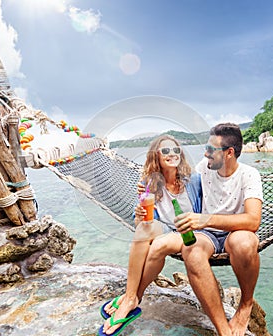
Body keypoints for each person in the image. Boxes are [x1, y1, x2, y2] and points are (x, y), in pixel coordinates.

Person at [99, 134, 202, 336]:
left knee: (156, 245)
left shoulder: (194, 180)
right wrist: (139, 214)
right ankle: (130, 299)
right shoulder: (148, 184)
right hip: (163, 229)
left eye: (176, 150)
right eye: (165, 151)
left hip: (188, 231)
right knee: (145, 228)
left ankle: (130, 299)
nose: (172, 154)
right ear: (156, 156)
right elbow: (142, 223)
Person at [174, 123, 263, 336]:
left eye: (211, 149)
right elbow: (172, 183)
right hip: (208, 234)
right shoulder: (204, 168)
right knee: (191, 251)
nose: (205, 153)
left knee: (243, 243)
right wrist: (147, 184)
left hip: (236, 231)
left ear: (229, 153)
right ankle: (223, 328)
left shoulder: (249, 175)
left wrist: (207, 219)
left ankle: (245, 305)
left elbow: (253, 221)